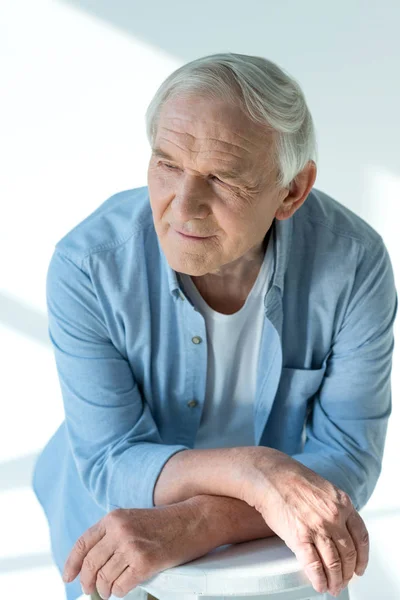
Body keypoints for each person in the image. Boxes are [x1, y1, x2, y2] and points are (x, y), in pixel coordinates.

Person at [32, 52, 397, 600]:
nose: (184, 206)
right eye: (167, 164)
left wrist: (210, 518)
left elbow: (348, 455)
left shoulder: (354, 263)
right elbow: (111, 460)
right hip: (122, 528)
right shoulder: (89, 264)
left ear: (292, 191)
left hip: (274, 535)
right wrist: (256, 471)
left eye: (222, 178)